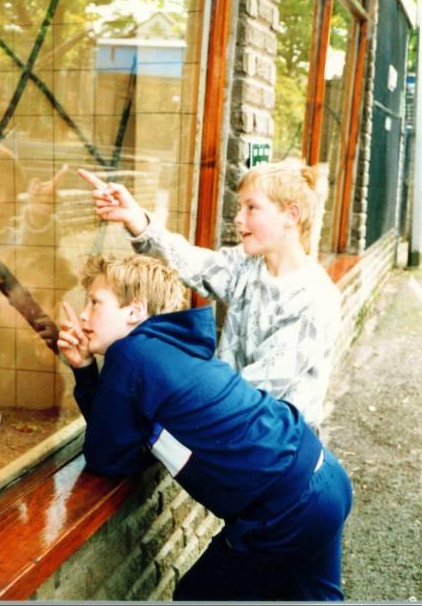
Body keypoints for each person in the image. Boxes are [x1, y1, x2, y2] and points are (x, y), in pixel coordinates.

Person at [57, 253, 352, 601]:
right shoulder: (172, 349)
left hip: (286, 507)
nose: (85, 315)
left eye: (95, 302)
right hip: (324, 474)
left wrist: (85, 371)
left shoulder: (130, 355)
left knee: (195, 597)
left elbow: (106, 457)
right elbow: (118, 437)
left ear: (134, 311)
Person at [76, 161, 341, 431]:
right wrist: (136, 219)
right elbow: (188, 262)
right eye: (240, 208)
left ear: (291, 215)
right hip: (229, 429)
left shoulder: (315, 299)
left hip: (274, 451)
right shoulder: (247, 265)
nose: (238, 218)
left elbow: (259, 390)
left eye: (251, 207)